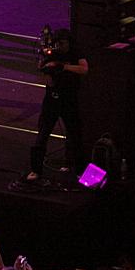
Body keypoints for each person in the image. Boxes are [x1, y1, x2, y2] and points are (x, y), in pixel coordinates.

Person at [27, 28, 88, 185]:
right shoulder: (51, 53)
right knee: (43, 134)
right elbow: (44, 73)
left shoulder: (75, 53)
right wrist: (46, 69)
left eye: (63, 43)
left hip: (69, 99)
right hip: (52, 100)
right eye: (58, 43)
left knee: (75, 135)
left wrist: (63, 67)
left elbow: (84, 69)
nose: (60, 46)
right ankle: (35, 169)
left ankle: (76, 167)